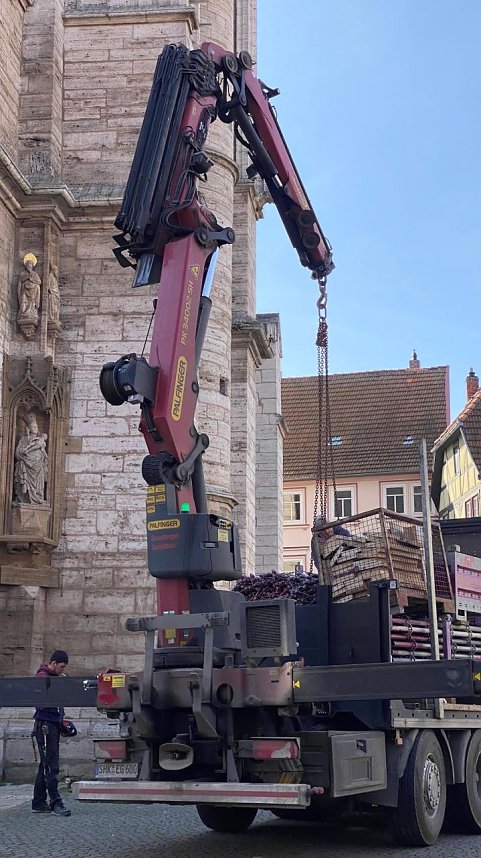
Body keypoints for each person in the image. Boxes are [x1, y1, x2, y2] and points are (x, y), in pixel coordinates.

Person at [32, 650, 72, 817]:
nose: (63, 670)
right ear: (54, 663)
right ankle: (55, 801)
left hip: (52, 723)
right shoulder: (42, 676)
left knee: (45, 764)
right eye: (61, 667)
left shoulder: (56, 677)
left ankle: (39, 801)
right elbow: (44, 698)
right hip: (45, 725)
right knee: (51, 765)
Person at [13, 416, 48, 505]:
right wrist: (24, 453)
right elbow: (17, 453)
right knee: (20, 465)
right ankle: (23, 498)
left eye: (36, 427)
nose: (36, 429)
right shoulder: (24, 439)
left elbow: (43, 453)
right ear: (29, 428)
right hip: (26, 465)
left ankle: (37, 497)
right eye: (34, 427)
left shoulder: (40, 440)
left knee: (39, 482)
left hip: (38, 466)